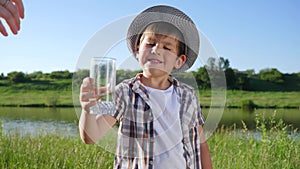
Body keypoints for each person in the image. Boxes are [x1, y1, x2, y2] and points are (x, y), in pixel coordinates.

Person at [79, 5, 213, 169]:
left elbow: (201, 145)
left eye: (167, 47)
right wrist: (87, 110)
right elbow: (91, 137)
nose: (156, 50)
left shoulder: (188, 96)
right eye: (150, 43)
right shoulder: (125, 92)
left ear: (180, 61)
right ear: (137, 51)